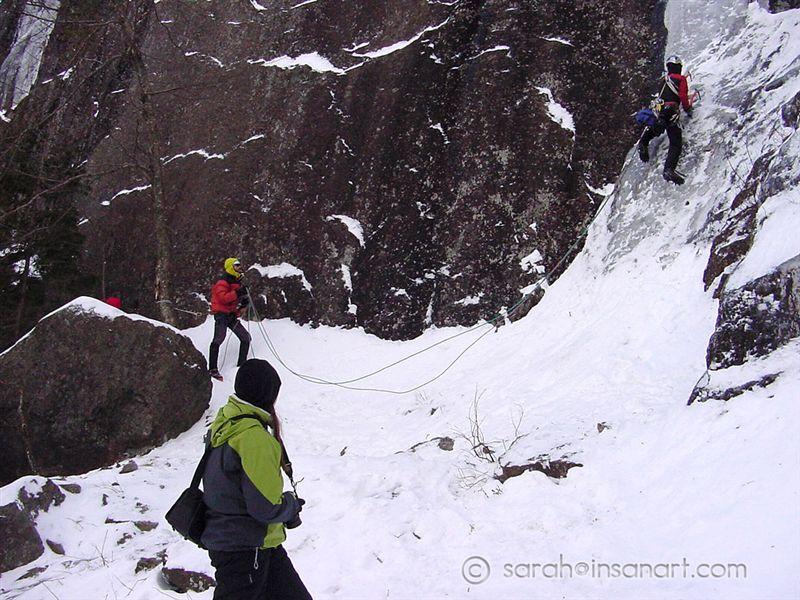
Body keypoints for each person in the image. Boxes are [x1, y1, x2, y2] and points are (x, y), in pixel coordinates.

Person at [202, 359, 312, 600]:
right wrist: (291, 505)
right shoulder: (253, 437)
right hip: (244, 548)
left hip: (253, 544)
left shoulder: (226, 421)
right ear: (268, 394)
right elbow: (265, 508)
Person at [637, 54, 694, 185]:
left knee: (658, 126)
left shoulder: (663, 80)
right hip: (671, 110)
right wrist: (687, 108)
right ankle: (669, 169)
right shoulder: (681, 79)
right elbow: (682, 96)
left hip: (660, 109)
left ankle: (643, 142)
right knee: (675, 142)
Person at [208, 257, 251, 380]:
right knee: (218, 339)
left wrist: (244, 301)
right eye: (236, 265)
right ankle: (212, 369)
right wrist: (239, 293)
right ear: (230, 267)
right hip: (222, 314)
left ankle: (241, 366)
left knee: (246, 337)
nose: (239, 267)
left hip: (230, 315)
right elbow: (224, 298)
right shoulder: (223, 282)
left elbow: (234, 297)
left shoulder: (236, 281)